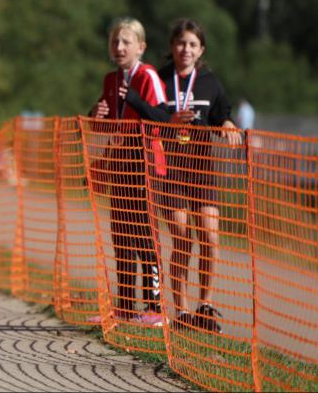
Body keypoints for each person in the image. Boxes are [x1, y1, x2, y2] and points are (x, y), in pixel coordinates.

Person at [120, 18, 243, 333]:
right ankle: (182, 311)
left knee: (210, 236)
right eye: (180, 43)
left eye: (192, 44)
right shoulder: (159, 79)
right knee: (182, 236)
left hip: (202, 170)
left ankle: (205, 304)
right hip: (169, 171)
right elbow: (144, 115)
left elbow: (223, 115)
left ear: (201, 49)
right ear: (171, 47)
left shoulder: (209, 81)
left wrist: (228, 127)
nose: (185, 49)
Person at [88, 17, 167, 327]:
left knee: (143, 236)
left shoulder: (147, 76)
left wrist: (132, 98)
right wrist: (96, 114)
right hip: (119, 163)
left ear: (140, 47)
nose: (119, 47)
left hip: (144, 163)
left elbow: (162, 117)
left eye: (125, 42)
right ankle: (123, 306)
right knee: (120, 235)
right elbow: (100, 122)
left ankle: (155, 306)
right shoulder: (111, 80)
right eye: (115, 42)